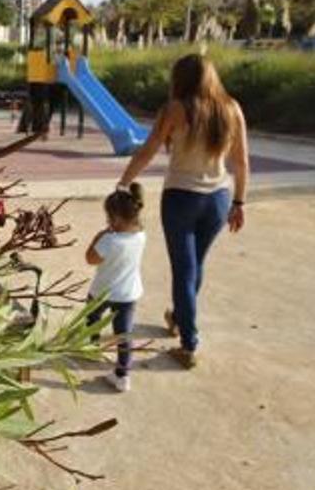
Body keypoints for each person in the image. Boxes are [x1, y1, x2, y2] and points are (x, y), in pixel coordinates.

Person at [116, 53, 250, 369]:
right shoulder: (232, 108)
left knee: (184, 270)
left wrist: (124, 183)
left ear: (181, 79)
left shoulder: (175, 109)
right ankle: (178, 317)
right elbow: (241, 162)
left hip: (181, 199)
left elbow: (148, 151)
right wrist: (239, 202)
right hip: (217, 199)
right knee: (194, 265)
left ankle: (189, 344)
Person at [85, 183, 147, 392]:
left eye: (108, 218)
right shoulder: (141, 236)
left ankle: (91, 348)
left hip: (102, 292)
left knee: (92, 319)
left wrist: (98, 237)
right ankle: (122, 376)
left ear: (116, 219)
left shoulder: (109, 240)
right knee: (124, 335)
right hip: (129, 294)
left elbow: (90, 259)